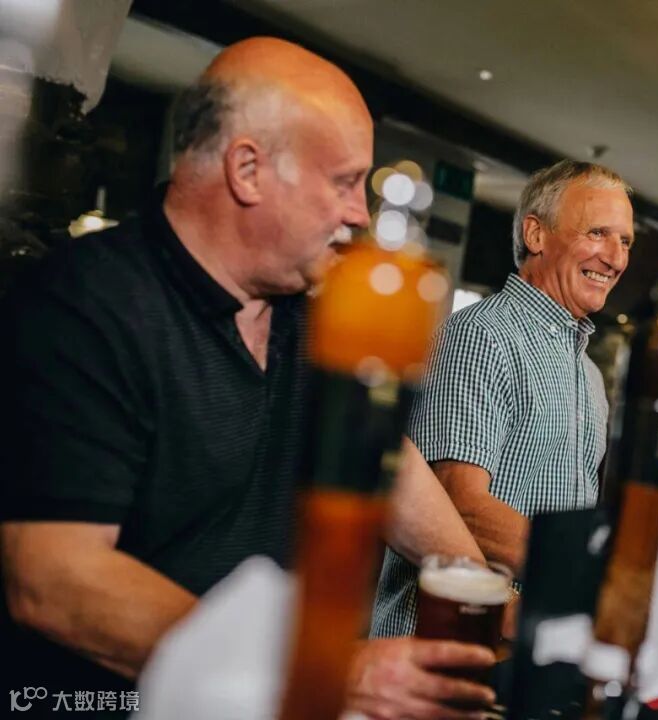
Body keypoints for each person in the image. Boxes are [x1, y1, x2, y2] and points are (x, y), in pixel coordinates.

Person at [1, 37, 496, 719]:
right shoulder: (87, 304)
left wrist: (484, 589)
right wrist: (320, 668)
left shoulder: (311, 308)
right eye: (344, 182)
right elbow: (55, 579)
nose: (358, 214)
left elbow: (383, 461)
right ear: (248, 170)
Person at [372, 160, 634, 637]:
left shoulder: (590, 375)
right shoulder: (482, 336)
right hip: (443, 640)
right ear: (536, 234)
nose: (615, 258)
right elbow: (458, 502)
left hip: (530, 639)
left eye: (626, 242)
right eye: (598, 233)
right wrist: (584, 572)